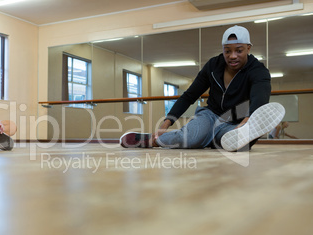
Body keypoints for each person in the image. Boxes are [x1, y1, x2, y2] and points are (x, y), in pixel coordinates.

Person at [120, 25, 285, 152]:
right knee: (191, 138)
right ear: (222, 49)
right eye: (228, 51)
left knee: (232, 142)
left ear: (248, 48)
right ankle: (150, 140)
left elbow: (259, 98)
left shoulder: (258, 71)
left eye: (239, 50)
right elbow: (189, 96)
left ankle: (221, 138)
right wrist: (165, 124)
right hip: (211, 115)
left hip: (235, 121)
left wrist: (246, 122)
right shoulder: (213, 65)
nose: (232, 56)